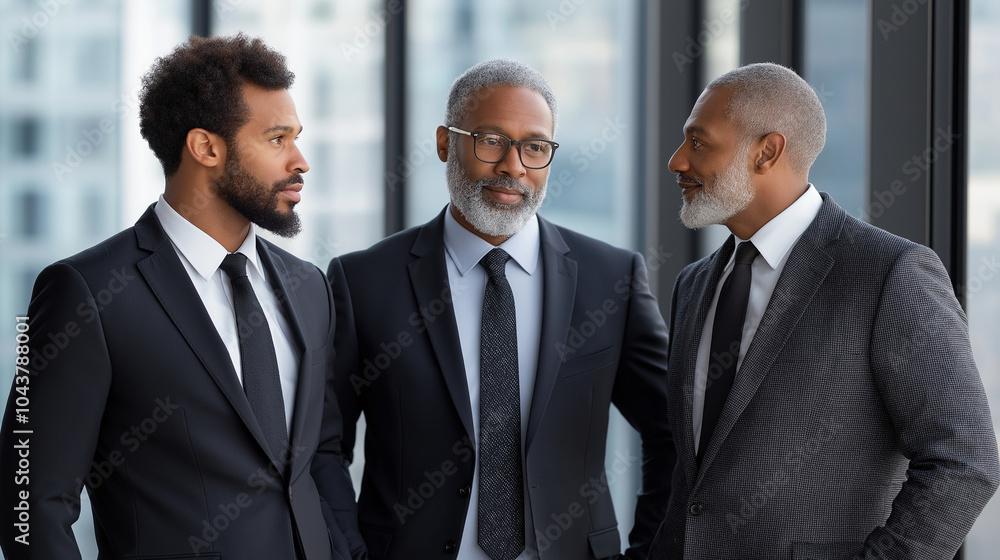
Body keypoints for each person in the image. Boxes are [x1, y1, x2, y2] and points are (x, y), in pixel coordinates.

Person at [0, 34, 364, 560]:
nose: (301, 161)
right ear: (206, 147)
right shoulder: (87, 292)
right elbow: (29, 498)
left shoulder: (309, 286)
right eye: (277, 139)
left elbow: (318, 456)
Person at [311, 59, 675, 560]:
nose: (513, 165)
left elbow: (673, 433)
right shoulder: (363, 281)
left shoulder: (611, 279)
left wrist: (648, 552)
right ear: (444, 143)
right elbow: (323, 447)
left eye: (535, 147)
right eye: (490, 140)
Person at [646, 62, 1000, 559]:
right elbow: (695, 478)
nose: (677, 161)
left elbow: (965, 461)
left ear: (766, 152)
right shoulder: (694, 284)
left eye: (699, 143)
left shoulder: (888, 273)